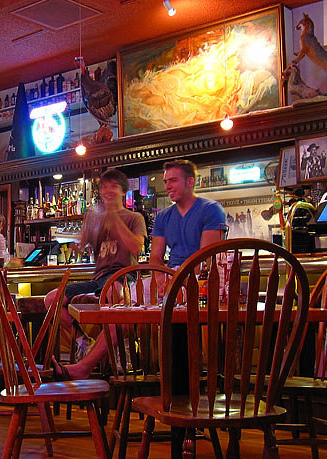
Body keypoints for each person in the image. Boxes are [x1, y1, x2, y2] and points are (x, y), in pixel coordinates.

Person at [55, 160, 225, 380]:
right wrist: (159, 275)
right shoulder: (164, 216)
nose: (168, 186)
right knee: (120, 312)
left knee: (125, 300)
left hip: (198, 279)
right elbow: (155, 256)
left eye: (173, 180)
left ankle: (134, 364)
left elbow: (206, 258)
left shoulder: (210, 210)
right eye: (166, 181)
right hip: (171, 275)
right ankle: (88, 365)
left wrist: (174, 278)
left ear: (190, 182)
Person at [48, 168, 147, 380]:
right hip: (98, 279)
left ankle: (123, 349)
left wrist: (113, 216)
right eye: (104, 186)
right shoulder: (96, 216)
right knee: (51, 300)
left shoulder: (134, 217)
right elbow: (82, 243)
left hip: (124, 275)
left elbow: (136, 247)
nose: (108, 190)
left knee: (114, 292)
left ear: (123, 191)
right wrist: (81, 237)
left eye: (113, 186)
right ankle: (85, 344)